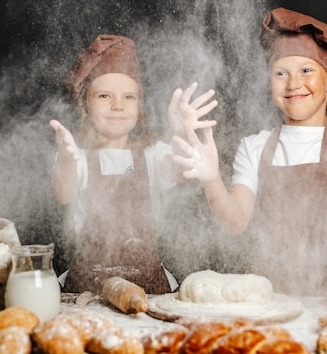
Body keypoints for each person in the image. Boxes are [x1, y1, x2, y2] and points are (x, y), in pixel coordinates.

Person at [172, 7, 327, 296]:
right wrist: (211, 179)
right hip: (266, 295)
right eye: (280, 73)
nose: (293, 84)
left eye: (306, 71)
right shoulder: (254, 146)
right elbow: (235, 223)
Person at [49, 34, 217, 295]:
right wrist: (67, 161)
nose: (118, 106)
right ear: (85, 105)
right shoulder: (76, 155)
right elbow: (64, 193)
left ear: (139, 107)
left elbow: (180, 170)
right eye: (104, 96)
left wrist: (182, 136)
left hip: (149, 282)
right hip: (86, 285)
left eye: (129, 97)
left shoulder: (152, 154)